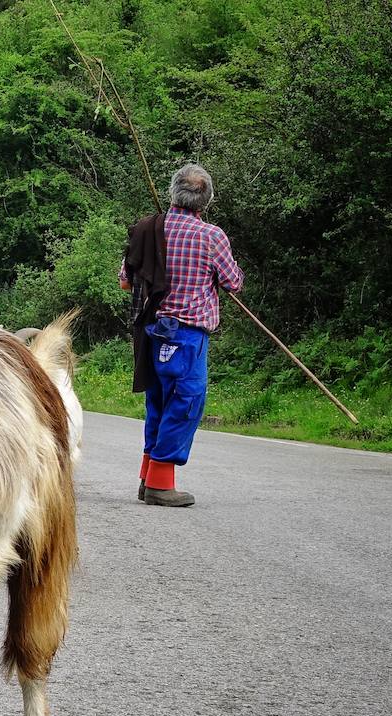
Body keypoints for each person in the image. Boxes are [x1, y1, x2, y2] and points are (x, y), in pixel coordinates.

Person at [120, 164, 243, 507]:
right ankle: (160, 485)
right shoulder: (211, 236)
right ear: (206, 200)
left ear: (173, 192)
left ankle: (149, 478)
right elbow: (233, 282)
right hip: (187, 337)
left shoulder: (146, 229)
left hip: (150, 333)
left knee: (157, 402)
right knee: (186, 403)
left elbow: (126, 280)